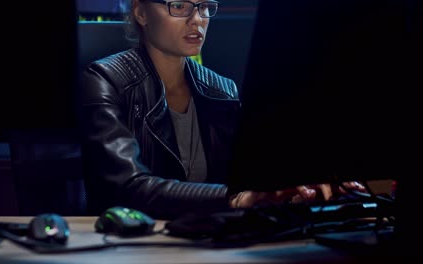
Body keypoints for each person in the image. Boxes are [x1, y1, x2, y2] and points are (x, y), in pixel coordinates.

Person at [80, 0, 366, 219]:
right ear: (141, 12)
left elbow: (255, 173)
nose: (197, 20)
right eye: (180, 6)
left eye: (204, 7)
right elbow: (127, 189)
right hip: (132, 248)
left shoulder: (222, 89)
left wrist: (296, 184)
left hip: (210, 242)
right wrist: (233, 198)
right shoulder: (105, 80)